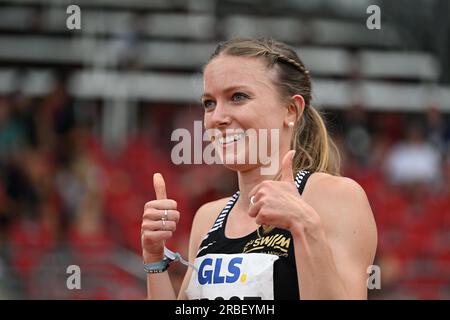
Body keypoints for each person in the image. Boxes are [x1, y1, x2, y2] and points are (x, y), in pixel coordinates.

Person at [141, 38, 378, 300]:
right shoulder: (208, 218)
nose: (217, 117)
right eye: (209, 103)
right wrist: (154, 259)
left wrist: (305, 226)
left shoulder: (336, 197)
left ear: (291, 109)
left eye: (238, 97)